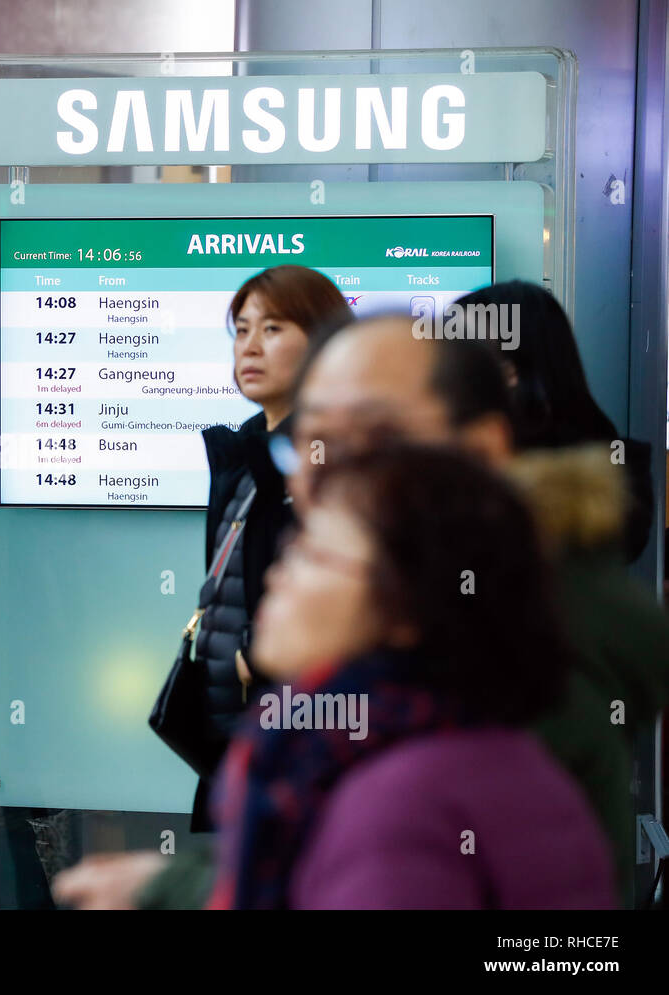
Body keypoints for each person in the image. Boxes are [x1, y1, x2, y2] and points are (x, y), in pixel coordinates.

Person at [205, 443, 615, 908]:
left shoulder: (394, 803)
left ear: (411, 606)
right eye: (290, 548)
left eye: (312, 554)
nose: (277, 576)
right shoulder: (468, 739)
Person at [169, 265, 352, 832]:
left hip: (298, 745)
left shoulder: (333, 459)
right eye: (242, 329)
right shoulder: (245, 453)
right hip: (232, 741)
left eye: (272, 329)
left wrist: (260, 654)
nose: (249, 346)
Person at [454, 281, 654, 561]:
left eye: (462, 362)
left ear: (512, 371)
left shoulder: (610, 482)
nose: (446, 379)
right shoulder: (443, 452)